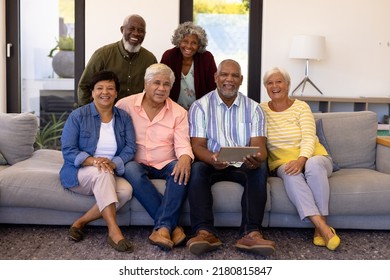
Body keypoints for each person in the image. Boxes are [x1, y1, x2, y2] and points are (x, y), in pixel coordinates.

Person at [186, 59, 275, 256]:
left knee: (259, 168)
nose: (229, 79)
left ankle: (251, 233)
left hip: (243, 164)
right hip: (211, 162)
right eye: (224, 75)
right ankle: (204, 232)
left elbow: (260, 147)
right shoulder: (199, 106)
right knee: (197, 169)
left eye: (235, 75)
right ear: (216, 78)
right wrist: (211, 158)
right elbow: (197, 146)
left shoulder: (254, 109)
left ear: (241, 80)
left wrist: (257, 157)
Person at [260, 67, 340, 251]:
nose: (275, 86)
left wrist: (302, 159)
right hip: (282, 162)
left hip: (314, 156)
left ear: (287, 84)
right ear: (266, 87)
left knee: (313, 164)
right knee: (290, 172)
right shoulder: (262, 110)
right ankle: (323, 229)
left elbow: (309, 137)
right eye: (270, 83)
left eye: (279, 81)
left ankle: (322, 226)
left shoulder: (301, 107)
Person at [116, 63, 194, 251]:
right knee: (130, 168)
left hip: (166, 161)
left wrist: (185, 157)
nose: (161, 88)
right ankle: (170, 227)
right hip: (137, 161)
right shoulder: (125, 105)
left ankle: (162, 228)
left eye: (166, 84)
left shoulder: (179, 113)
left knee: (181, 171)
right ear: (146, 83)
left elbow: (183, 143)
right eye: (156, 83)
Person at [60, 70, 137, 253]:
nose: (105, 92)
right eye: (100, 88)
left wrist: (113, 163)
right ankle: (113, 231)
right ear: (92, 92)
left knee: (126, 191)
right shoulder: (78, 116)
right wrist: (93, 161)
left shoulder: (124, 117)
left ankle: (81, 222)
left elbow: (130, 148)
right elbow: (68, 150)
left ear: (116, 93)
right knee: (103, 173)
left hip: (109, 171)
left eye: (110, 88)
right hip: (80, 173)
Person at [78, 14, 157, 106]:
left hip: (136, 115)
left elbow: (154, 88)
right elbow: (84, 85)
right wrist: (89, 113)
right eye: (131, 29)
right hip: (106, 113)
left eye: (140, 31)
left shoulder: (150, 59)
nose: (136, 33)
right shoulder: (103, 55)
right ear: (122, 30)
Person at [160, 21, 217, 110]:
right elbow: (161, 83)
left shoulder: (207, 58)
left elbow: (213, 88)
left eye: (194, 43)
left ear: (199, 45)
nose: (189, 46)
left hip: (201, 110)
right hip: (173, 111)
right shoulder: (169, 56)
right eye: (185, 41)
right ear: (179, 41)